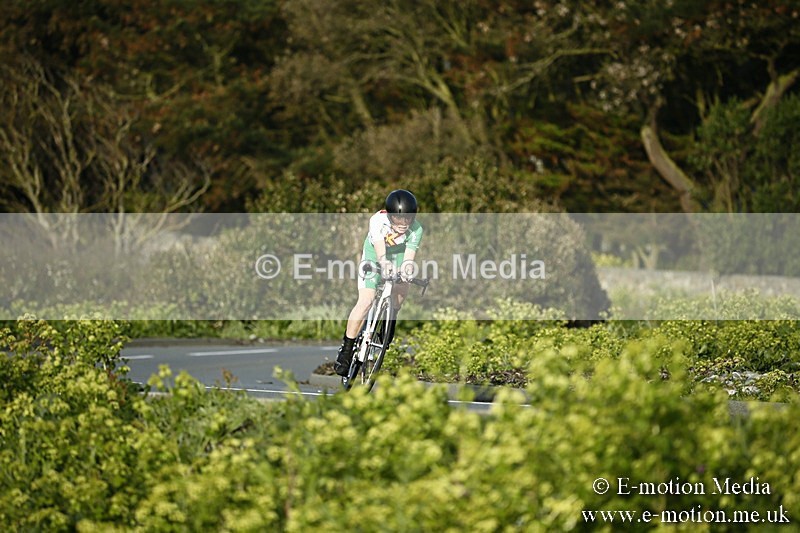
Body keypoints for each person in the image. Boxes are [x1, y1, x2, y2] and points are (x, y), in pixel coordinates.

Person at [333, 189, 424, 376]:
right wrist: (384, 264)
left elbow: (408, 258)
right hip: (374, 255)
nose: (403, 223)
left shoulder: (417, 229)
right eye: (398, 219)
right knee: (366, 301)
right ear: (389, 216)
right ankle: (346, 349)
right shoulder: (377, 221)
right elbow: (380, 252)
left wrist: (406, 271)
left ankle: (390, 320)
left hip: (398, 256)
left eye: (407, 218)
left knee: (402, 286)